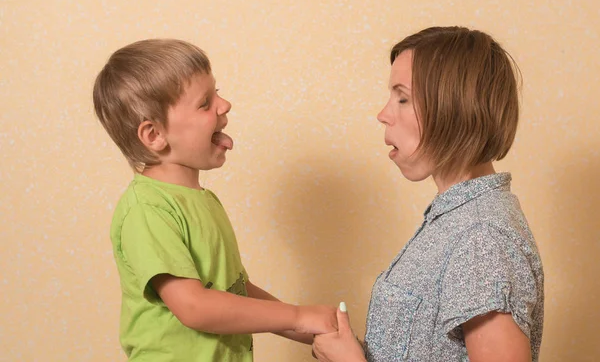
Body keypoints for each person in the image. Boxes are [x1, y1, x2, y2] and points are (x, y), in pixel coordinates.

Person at [93, 39, 337, 361]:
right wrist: (297, 315)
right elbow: (194, 306)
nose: (225, 105)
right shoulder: (147, 210)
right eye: (205, 103)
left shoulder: (204, 201)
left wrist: (305, 327)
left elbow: (234, 292)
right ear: (154, 135)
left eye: (217, 92)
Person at [313, 26, 544, 362]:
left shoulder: (482, 239)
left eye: (402, 98)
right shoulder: (457, 220)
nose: (383, 114)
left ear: (454, 107)